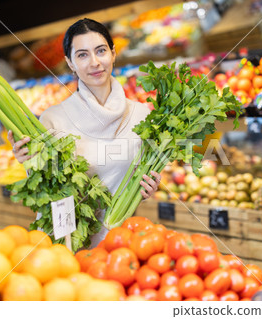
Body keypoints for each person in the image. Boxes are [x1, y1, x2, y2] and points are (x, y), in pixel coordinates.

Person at [8, 18, 161, 247]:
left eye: (101, 51)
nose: (95, 62)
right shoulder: (53, 119)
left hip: (123, 245)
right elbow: (46, 192)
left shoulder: (142, 115)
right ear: (70, 63)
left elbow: (140, 174)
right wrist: (29, 162)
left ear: (113, 53)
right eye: (82, 55)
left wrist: (151, 186)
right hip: (72, 246)